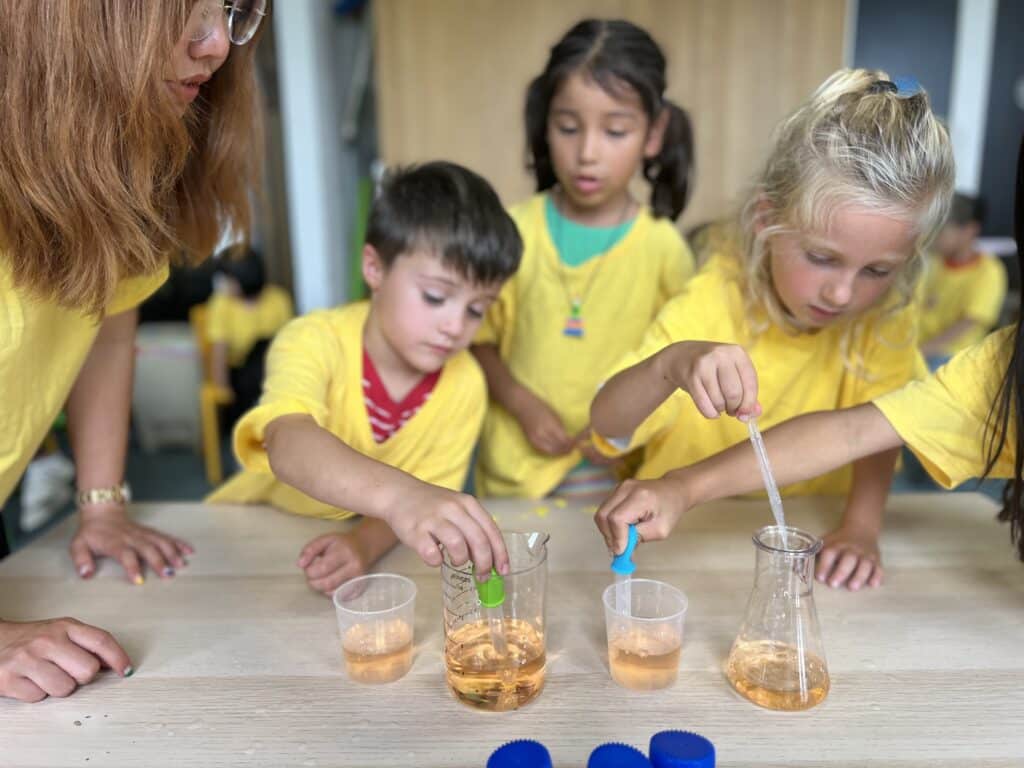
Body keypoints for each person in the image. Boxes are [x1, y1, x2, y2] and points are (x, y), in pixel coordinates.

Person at [591, 70, 954, 591]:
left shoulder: (886, 317)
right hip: (684, 541)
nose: (843, 294)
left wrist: (860, 525)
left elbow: (879, 429)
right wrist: (672, 363)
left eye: (877, 271)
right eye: (822, 258)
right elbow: (607, 424)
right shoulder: (716, 295)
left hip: (805, 542)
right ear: (766, 218)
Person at [0, 0, 266, 702]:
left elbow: (106, 325)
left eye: (229, 11)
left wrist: (101, 504)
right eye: (184, 10)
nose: (215, 46)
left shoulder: (118, 167)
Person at [209, 162, 521, 594]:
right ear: (374, 268)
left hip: (335, 551)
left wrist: (361, 543)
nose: (455, 326)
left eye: (476, 309)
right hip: (247, 534)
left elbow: (420, 506)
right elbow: (287, 442)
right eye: (435, 296)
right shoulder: (313, 339)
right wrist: (401, 497)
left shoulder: (466, 382)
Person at [471, 18, 696, 501]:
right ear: (545, 124)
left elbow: (678, 369)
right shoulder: (513, 231)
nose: (587, 153)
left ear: (653, 134)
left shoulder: (664, 251)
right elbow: (477, 340)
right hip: (515, 474)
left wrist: (628, 431)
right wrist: (521, 403)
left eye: (615, 131)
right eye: (568, 127)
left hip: (616, 473)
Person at [207, 247, 293, 426]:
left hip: (274, 370)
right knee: (259, 351)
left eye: (227, 280)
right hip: (240, 379)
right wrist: (222, 391)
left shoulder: (278, 299)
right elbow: (219, 352)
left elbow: (289, 344)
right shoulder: (221, 305)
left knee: (267, 346)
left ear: (242, 278)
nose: (223, 285)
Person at [919, 192, 1007, 363]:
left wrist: (921, 351)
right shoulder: (933, 262)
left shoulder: (989, 271)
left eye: (941, 230)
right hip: (916, 347)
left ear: (969, 230)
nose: (933, 237)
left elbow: (968, 324)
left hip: (951, 356)